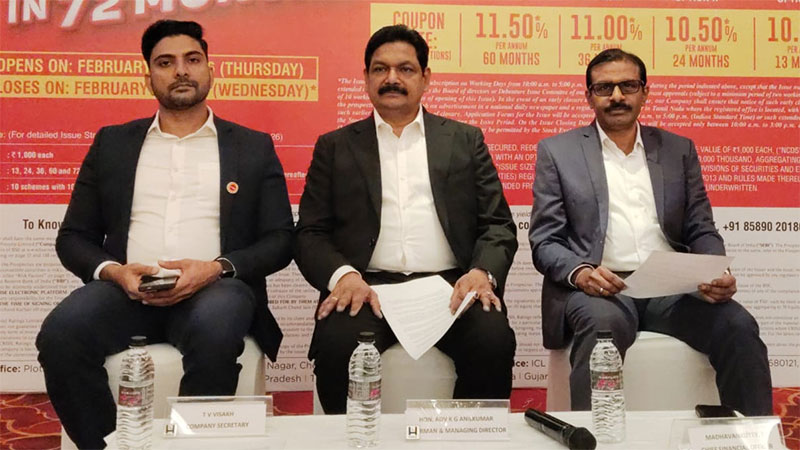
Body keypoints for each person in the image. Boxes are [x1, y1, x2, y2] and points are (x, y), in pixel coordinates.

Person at [36, 20, 293, 448]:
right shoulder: (112, 144)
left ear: (211, 70)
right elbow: (73, 237)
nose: (181, 71)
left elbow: (280, 239)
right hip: (126, 292)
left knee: (216, 330)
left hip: (215, 290)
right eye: (165, 62)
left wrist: (216, 268)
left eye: (192, 59)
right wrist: (115, 272)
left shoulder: (251, 147)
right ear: (148, 76)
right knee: (60, 335)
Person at [529, 48, 772, 415]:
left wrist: (714, 270)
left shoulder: (678, 149)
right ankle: (595, 437)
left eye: (628, 86)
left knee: (738, 326)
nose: (616, 96)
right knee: (601, 329)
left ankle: (750, 435)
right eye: (604, 88)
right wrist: (581, 273)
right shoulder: (558, 152)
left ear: (645, 92)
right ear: (589, 97)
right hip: (603, 287)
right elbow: (545, 240)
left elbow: (700, 226)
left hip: (671, 288)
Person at [295, 24, 518, 414]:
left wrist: (481, 273)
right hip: (366, 290)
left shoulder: (464, 140)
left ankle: (470, 439)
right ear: (366, 78)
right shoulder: (335, 146)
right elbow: (310, 232)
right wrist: (343, 277)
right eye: (380, 69)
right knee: (337, 346)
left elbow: (497, 224)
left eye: (406, 69)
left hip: (451, 289)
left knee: (492, 338)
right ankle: (353, 439)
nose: (392, 79)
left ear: (426, 78)